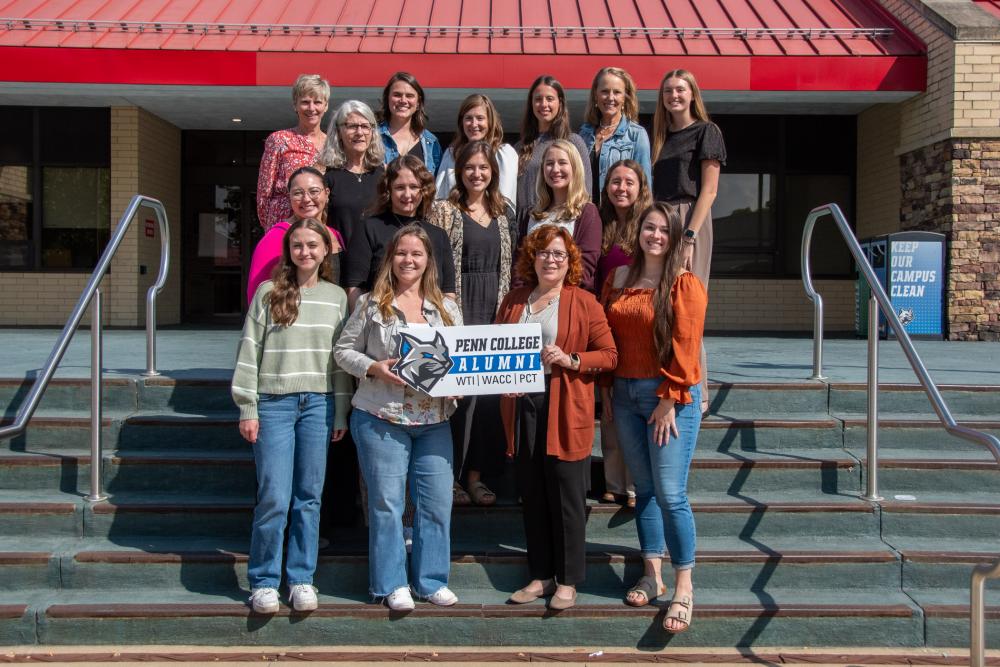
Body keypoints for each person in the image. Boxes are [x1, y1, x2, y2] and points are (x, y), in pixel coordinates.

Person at [334, 224, 463, 611]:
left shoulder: (446, 308)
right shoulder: (372, 304)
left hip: (434, 420)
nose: (409, 260)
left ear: (428, 261)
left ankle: (430, 580)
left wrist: (458, 382)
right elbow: (342, 351)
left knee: (437, 503)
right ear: (390, 258)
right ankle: (392, 584)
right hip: (381, 416)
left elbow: (461, 359)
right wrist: (374, 367)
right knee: (387, 504)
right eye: (402, 253)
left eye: (417, 254)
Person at [232, 218, 351, 614]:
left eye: (313, 245)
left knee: (309, 497)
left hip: (318, 405)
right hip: (274, 404)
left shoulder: (337, 298)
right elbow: (250, 352)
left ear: (325, 250)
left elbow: (338, 362)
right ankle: (264, 580)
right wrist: (247, 406)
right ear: (289, 251)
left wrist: (340, 411)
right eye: (298, 245)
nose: (305, 252)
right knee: (274, 496)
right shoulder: (269, 293)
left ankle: (301, 577)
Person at [600, 202, 708, 634]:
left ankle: (684, 585)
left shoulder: (683, 283)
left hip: (670, 397)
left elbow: (686, 345)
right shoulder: (619, 278)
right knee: (642, 490)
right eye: (649, 227)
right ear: (638, 231)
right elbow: (607, 338)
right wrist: (607, 389)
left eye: (664, 230)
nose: (656, 236)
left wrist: (668, 399)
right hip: (624, 394)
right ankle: (652, 573)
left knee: (669, 493)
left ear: (675, 235)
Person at [497, 225, 617, 610]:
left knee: (566, 496)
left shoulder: (584, 302)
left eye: (559, 254)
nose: (551, 259)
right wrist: (503, 380)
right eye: (544, 253)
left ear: (570, 263)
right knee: (532, 494)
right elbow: (496, 350)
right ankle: (541, 575)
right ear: (532, 258)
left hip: (565, 404)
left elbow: (610, 355)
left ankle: (567, 581)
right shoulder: (514, 300)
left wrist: (572, 359)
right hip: (523, 405)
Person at [427, 140, 517, 507]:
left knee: (487, 405)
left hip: (494, 314)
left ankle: (476, 476)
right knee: (457, 400)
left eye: (483, 168)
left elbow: (508, 268)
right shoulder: (444, 211)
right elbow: (434, 268)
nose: (477, 174)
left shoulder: (503, 212)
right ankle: (449, 477)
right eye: (470, 168)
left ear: (493, 172)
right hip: (458, 314)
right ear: (459, 172)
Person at [651, 69, 725, 416]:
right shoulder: (660, 137)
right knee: (663, 305)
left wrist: (690, 236)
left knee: (688, 305)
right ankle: (671, 379)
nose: (673, 96)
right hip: (660, 218)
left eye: (679, 90)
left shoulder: (706, 132)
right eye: (668, 91)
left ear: (692, 93)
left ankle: (699, 391)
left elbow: (709, 190)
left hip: (690, 217)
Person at [595, 159, 652, 507]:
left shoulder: (647, 226)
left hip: (636, 322)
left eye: (628, 182)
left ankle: (634, 485)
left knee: (632, 405)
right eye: (615, 182)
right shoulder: (601, 225)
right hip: (606, 319)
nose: (621, 188)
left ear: (640, 187)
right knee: (611, 406)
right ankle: (614, 481)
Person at [343, 155, 456, 309]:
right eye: (400, 187)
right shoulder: (368, 228)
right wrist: (363, 325)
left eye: (414, 187)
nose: (407, 195)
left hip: (428, 327)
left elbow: (448, 292)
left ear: (424, 190)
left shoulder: (438, 235)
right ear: (388, 190)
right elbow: (354, 287)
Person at [246, 167, 345, 306]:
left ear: (327, 194)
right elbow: (256, 294)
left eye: (314, 191)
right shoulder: (276, 237)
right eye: (298, 193)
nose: (306, 199)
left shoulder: (336, 235)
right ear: (289, 197)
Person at [520, 140, 601, 293]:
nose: (555, 169)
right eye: (549, 163)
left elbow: (585, 267)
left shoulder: (586, 212)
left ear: (575, 168)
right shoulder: (531, 214)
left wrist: (553, 297)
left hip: (567, 299)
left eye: (562, 163)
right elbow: (520, 263)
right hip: (530, 301)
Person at [257, 74, 330, 231]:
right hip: (283, 223)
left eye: (317, 102)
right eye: (305, 102)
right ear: (295, 105)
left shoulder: (334, 144)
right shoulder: (279, 140)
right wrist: (272, 228)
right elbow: (264, 195)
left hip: (320, 225)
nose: (312, 108)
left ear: (326, 106)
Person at [514, 75, 592, 217]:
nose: (544, 104)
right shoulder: (519, 147)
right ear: (531, 104)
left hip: (562, 221)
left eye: (550, 99)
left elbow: (586, 192)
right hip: (524, 224)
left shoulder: (574, 142)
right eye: (538, 99)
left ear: (560, 103)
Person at [317, 100, 386, 248]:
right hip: (340, 261)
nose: (359, 132)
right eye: (352, 126)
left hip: (377, 262)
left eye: (365, 126)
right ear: (339, 132)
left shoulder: (383, 174)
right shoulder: (326, 176)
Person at [579, 67, 651, 202]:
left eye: (617, 92)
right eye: (605, 91)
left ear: (625, 97)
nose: (610, 97)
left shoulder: (637, 135)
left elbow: (645, 185)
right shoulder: (584, 134)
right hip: (587, 215)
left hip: (620, 217)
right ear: (596, 95)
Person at [434, 94, 517, 207]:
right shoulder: (451, 154)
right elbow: (439, 197)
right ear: (461, 122)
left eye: (480, 118)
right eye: (468, 118)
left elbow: (506, 200)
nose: (474, 124)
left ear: (490, 121)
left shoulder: (504, 154)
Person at [378, 72, 442, 175]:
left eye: (409, 96)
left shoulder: (431, 142)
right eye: (397, 95)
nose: (403, 100)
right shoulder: (373, 137)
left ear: (418, 103)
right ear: (387, 98)